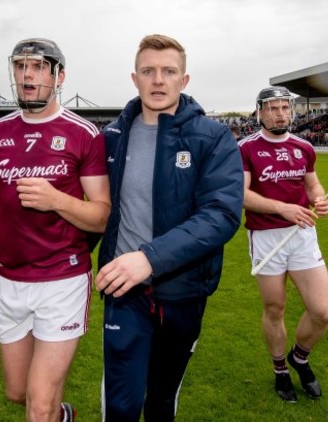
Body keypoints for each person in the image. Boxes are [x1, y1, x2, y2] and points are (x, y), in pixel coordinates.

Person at [0, 37, 110, 422]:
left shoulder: (83, 133)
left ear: (59, 76)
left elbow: (102, 215)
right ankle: (65, 416)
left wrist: (56, 200)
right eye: (21, 66)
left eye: (39, 66)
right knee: (17, 393)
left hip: (62, 278)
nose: (28, 75)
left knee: (38, 407)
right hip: (9, 280)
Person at [95, 34, 244, 421]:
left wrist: (149, 258)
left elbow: (221, 214)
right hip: (123, 291)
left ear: (185, 80)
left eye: (168, 71)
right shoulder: (110, 137)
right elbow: (93, 210)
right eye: (148, 71)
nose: (158, 80)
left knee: (161, 401)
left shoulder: (212, 138)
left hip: (183, 291)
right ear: (134, 78)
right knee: (122, 404)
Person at [237, 86, 328, 403]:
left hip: (303, 234)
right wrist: (282, 208)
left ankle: (300, 357)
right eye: (274, 108)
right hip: (266, 237)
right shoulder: (246, 148)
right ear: (260, 112)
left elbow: (312, 183)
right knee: (275, 308)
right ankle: (280, 370)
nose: (281, 114)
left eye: (285, 108)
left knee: (322, 312)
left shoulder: (304, 147)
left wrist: (318, 199)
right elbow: (242, 194)